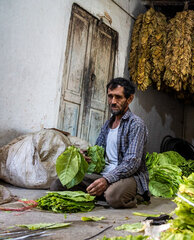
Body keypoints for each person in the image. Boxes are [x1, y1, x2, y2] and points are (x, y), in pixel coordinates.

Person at [51, 77, 149, 208]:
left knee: (113, 196)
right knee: (58, 185)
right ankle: (103, 191)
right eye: (110, 96)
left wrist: (107, 179)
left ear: (129, 99)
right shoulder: (107, 124)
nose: (113, 102)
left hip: (129, 177)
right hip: (104, 175)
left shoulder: (136, 124)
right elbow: (98, 150)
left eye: (118, 97)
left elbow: (132, 162)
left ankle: (135, 195)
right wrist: (84, 155)